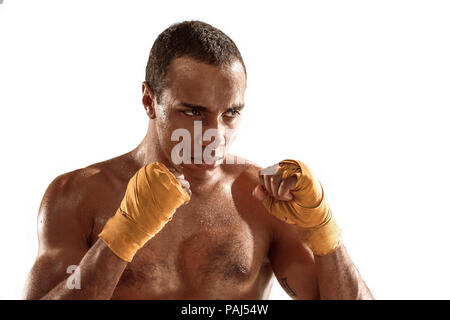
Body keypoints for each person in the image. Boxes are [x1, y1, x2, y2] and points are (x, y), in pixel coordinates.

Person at [23, 20, 373, 300]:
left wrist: (325, 232)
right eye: (193, 111)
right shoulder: (77, 197)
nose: (215, 135)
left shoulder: (262, 200)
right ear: (149, 101)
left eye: (231, 113)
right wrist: (120, 238)